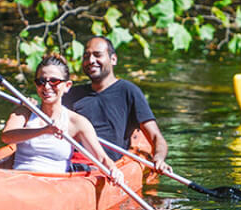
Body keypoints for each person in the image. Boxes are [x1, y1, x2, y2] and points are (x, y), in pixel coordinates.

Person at [1, 53, 123, 184]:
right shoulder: (25, 112)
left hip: (55, 185)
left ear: (67, 86)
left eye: (54, 81)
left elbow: (101, 158)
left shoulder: (76, 122)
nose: (47, 87)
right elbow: (7, 137)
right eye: (41, 81)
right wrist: (44, 130)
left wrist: (113, 169)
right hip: (18, 180)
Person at [62, 36, 172, 174]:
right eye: (86, 56)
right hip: (70, 162)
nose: (90, 61)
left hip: (104, 166)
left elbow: (156, 137)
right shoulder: (71, 94)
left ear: (113, 59)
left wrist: (159, 158)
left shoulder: (128, 91)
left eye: (97, 55)